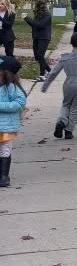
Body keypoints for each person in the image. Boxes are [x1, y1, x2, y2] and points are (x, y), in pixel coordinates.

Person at [41, 32, 77, 140]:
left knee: (66, 104)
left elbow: (53, 72)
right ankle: (69, 130)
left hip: (68, 83)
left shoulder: (65, 57)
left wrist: (45, 85)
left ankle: (61, 121)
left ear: (71, 43)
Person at [0, 55, 24, 187]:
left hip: (6, 126)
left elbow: (20, 103)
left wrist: (1, 106)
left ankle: (4, 176)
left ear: (5, 73)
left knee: (5, 149)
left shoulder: (11, 87)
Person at [24, 0, 53, 77]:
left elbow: (39, 25)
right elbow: (34, 25)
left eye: (35, 4)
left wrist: (27, 18)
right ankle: (50, 71)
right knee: (37, 57)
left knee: (40, 55)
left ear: (39, 5)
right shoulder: (37, 14)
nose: (34, 6)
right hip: (36, 37)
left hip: (44, 37)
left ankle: (42, 75)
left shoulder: (47, 15)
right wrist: (26, 19)